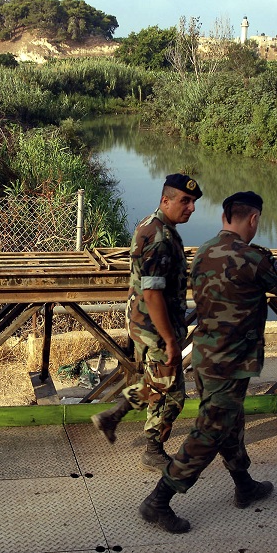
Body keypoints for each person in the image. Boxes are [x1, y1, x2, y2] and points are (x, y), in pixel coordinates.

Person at [139, 191, 277, 534]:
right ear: (253, 219)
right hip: (233, 360)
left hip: (206, 357)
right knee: (211, 430)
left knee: (229, 421)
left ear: (225, 216)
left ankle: (244, 485)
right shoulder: (254, 258)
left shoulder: (203, 253)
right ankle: (159, 501)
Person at [91, 173, 202, 472]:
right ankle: (153, 450)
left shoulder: (151, 224)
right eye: (185, 201)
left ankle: (111, 417)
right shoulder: (160, 238)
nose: (191, 208)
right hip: (155, 327)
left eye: (193, 202)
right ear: (165, 200)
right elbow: (152, 293)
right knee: (173, 393)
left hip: (143, 322)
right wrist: (169, 340)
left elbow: (140, 283)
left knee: (156, 380)